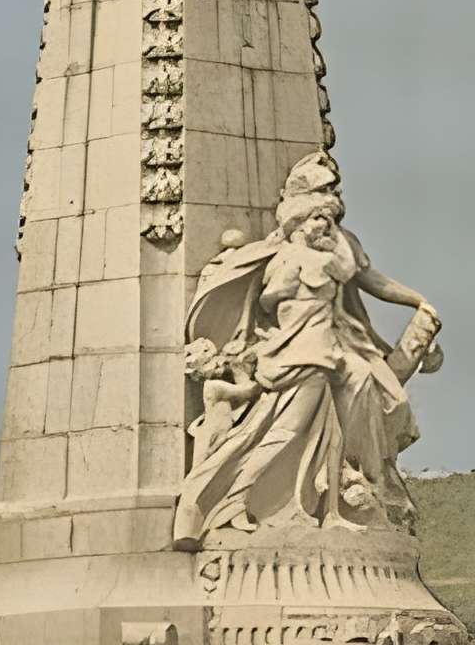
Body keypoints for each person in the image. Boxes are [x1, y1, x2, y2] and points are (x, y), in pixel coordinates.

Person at [172, 156, 442, 549]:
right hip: (301, 359)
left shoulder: (325, 254)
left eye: (331, 212)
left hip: (324, 357)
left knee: (340, 427)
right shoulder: (296, 259)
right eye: (320, 213)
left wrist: (417, 302)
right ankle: (220, 501)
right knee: (285, 433)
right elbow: (271, 298)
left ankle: (341, 502)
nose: (328, 221)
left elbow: (365, 278)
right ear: (302, 217)